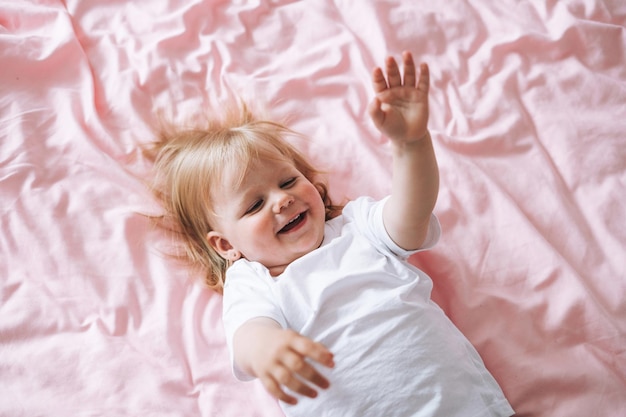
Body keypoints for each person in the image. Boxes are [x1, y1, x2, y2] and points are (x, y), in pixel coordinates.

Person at [150, 51, 514, 417]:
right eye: (254, 205)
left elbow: (412, 212)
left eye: (289, 181)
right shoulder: (254, 281)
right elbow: (247, 334)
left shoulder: (358, 228)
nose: (282, 200)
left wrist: (411, 145)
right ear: (226, 244)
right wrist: (268, 349)